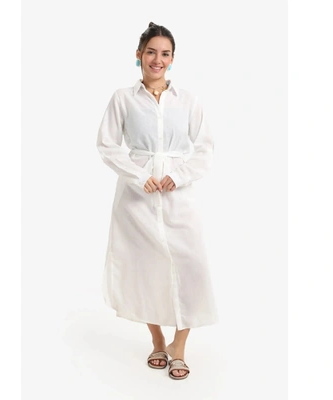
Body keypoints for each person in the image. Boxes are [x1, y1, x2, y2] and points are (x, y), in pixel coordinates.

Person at [96, 22, 218, 380]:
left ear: (172, 59)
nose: (157, 59)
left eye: (165, 53)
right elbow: (106, 145)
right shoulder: (123, 98)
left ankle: (180, 347)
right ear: (139, 55)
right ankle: (157, 340)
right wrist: (138, 176)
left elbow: (206, 148)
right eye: (151, 52)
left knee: (191, 264)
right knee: (146, 268)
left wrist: (178, 176)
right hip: (136, 199)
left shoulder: (188, 100)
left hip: (178, 195)